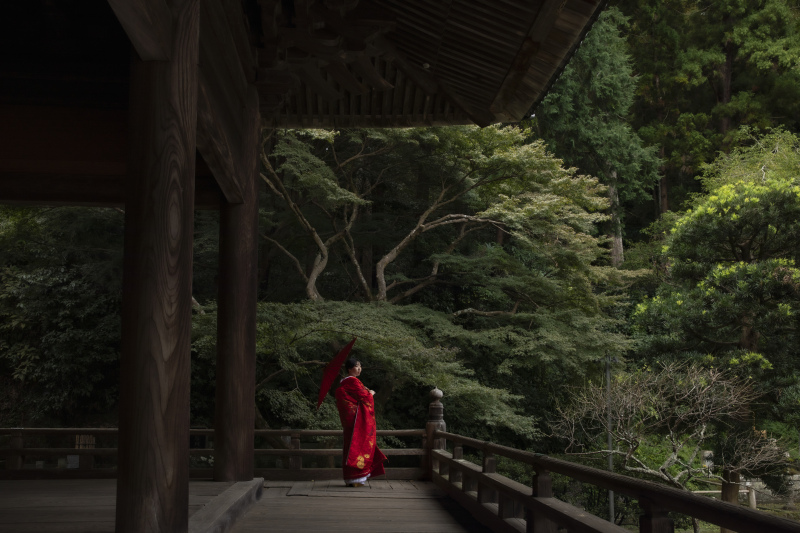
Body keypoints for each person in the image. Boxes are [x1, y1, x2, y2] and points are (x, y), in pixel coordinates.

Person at [334, 357, 387, 487]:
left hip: (351, 422)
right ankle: (356, 479)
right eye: (356, 366)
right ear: (349, 368)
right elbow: (365, 397)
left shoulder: (344, 383)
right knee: (359, 446)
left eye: (360, 366)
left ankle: (352, 478)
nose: (359, 368)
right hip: (357, 421)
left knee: (351, 447)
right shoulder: (353, 382)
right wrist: (372, 393)